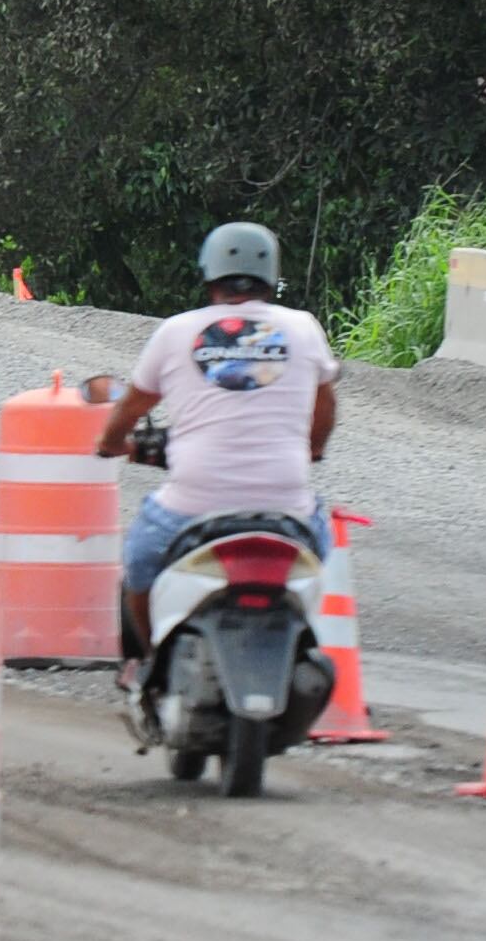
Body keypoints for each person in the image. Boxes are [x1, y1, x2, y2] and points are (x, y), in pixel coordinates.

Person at [94, 220, 340, 675]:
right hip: (287, 510)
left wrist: (110, 443)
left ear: (209, 275)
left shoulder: (176, 331)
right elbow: (325, 405)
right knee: (321, 553)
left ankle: (149, 663)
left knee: (139, 564)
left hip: (190, 509)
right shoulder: (303, 328)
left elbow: (131, 406)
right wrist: (313, 450)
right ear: (271, 276)